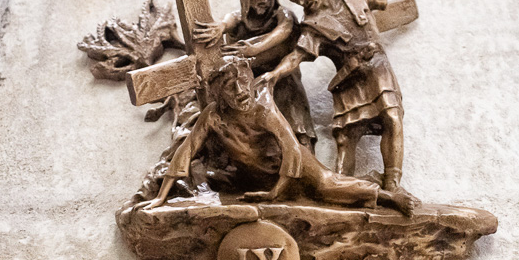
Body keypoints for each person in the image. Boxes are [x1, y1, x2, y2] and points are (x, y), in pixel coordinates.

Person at [138, 57, 416, 215]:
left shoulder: (263, 111)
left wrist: (276, 192)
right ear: (219, 95)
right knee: (212, 181)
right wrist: (161, 197)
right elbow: (187, 149)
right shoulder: (212, 116)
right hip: (257, 176)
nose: (240, 92)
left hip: (293, 168)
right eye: (231, 88)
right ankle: (365, 183)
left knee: (326, 187)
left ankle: (388, 198)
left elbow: (291, 149)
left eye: (243, 83)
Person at [260, 0, 413, 200]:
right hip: (347, 80)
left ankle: (392, 184)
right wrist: (274, 74)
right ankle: (344, 192)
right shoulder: (312, 26)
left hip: (377, 67)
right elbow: (296, 57)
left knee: (392, 116)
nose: (302, 2)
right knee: (346, 138)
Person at [192, 0, 317, 151]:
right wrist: (221, 27)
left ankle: (305, 151)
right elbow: (230, 20)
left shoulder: (283, 15)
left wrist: (255, 48)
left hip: (281, 78)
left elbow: (283, 31)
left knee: (295, 117)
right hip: (248, 83)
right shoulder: (240, 19)